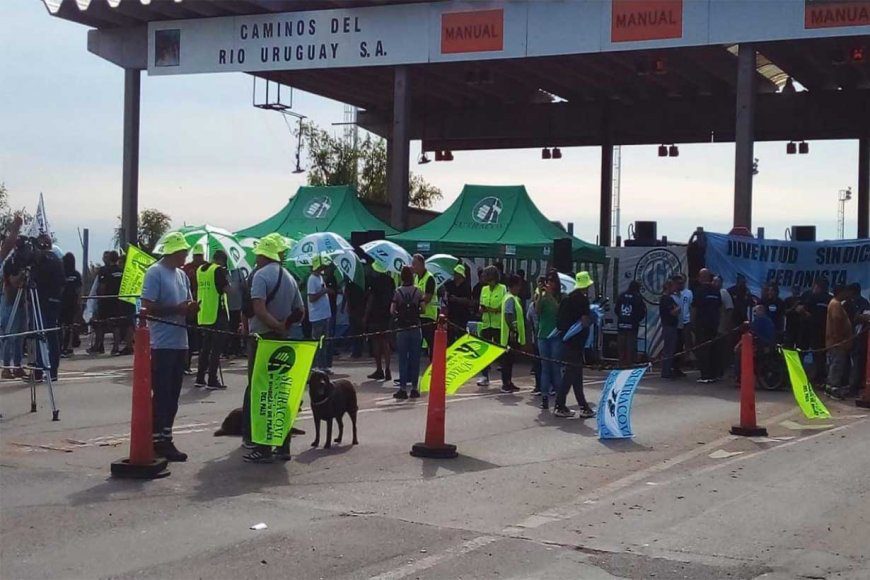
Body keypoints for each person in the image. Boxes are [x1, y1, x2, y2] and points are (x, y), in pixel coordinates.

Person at [242, 236, 304, 463]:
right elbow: (300, 311)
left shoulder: (260, 276)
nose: (256, 259)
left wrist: (275, 325)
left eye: (258, 255)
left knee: (261, 392)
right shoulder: (289, 277)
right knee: (280, 392)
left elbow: (258, 309)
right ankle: (283, 445)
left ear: (263, 255)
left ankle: (262, 446)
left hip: (263, 339)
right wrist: (285, 325)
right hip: (283, 341)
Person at [140, 233, 197, 462]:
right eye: (183, 252)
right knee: (162, 393)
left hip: (180, 341)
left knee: (173, 395)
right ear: (172, 252)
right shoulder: (155, 272)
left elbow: (186, 304)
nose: (185, 256)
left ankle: (166, 435)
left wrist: (191, 309)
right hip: (162, 343)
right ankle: (157, 439)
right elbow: (147, 307)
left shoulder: (181, 275)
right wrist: (177, 309)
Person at [554, 271, 595, 418]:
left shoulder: (566, 299)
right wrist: (592, 318)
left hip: (566, 341)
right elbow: (584, 321)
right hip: (576, 343)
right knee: (571, 374)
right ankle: (560, 405)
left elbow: (559, 321)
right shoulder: (582, 301)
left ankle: (583, 406)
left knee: (576, 375)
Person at [31, 235, 65, 382]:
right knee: (50, 336)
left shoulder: (44, 262)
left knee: (41, 335)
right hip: (51, 302)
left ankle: (41, 369)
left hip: (43, 302)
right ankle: (51, 370)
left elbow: (35, 279)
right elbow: (62, 283)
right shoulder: (57, 260)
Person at [195, 249, 229, 390]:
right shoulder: (218, 270)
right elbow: (227, 289)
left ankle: (200, 378)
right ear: (222, 260)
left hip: (204, 313)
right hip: (217, 313)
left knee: (205, 348)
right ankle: (212, 379)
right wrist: (226, 278)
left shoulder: (200, 270)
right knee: (216, 348)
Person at [391, 265, 424, 399]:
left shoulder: (398, 292)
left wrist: (399, 315)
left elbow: (392, 310)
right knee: (415, 359)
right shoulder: (418, 291)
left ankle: (403, 389)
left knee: (403, 360)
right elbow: (423, 309)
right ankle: (415, 388)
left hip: (402, 329)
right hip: (415, 327)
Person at [534, 271, 562, 408]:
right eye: (548, 281)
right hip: (543, 335)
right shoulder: (542, 296)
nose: (549, 283)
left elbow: (559, 311)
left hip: (555, 335)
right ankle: (544, 397)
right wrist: (540, 294)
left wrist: (550, 296)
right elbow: (537, 311)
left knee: (555, 367)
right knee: (545, 367)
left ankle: (559, 399)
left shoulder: (559, 297)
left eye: (551, 281)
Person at [364, 262, 395, 381]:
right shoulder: (390, 281)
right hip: (386, 315)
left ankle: (379, 369)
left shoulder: (374, 281)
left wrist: (366, 316)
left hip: (375, 315)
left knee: (376, 342)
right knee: (385, 342)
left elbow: (370, 300)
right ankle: (387, 369)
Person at [476, 265, 506, 387]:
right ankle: (484, 376)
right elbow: (480, 305)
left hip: (498, 325)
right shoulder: (484, 289)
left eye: (485, 275)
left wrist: (490, 309)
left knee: (501, 352)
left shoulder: (502, 288)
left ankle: (505, 378)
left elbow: (502, 307)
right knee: (484, 351)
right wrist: (481, 309)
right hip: (486, 324)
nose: (483, 277)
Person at [692, 268, 722, 384]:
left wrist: (692, 323)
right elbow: (719, 308)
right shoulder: (716, 291)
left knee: (702, 349)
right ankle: (713, 374)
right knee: (713, 349)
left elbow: (694, 307)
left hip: (702, 324)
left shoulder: (699, 291)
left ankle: (705, 375)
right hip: (713, 324)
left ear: (701, 277)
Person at [89, 250, 122, 355]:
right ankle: (116, 348)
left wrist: (99, 297)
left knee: (100, 324)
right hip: (118, 301)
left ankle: (99, 346)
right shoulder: (121, 271)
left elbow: (102, 286)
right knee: (115, 325)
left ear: (109, 258)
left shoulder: (104, 270)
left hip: (106, 301)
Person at [1, 246, 26, 379]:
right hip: (11, 303)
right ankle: (6, 367)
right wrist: (23, 273)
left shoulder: (24, 262)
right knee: (10, 336)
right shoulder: (11, 262)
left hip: (22, 303)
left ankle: (17, 365)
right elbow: (13, 282)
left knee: (20, 337)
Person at [824, 285, 853, 399]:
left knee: (835, 364)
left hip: (836, 341)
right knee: (836, 365)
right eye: (845, 292)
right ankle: (833, 388)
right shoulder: (835, 304)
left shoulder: (836, 304)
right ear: (841, 292)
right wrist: (839, 339)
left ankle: (830, 387)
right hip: (837, 342)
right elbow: (837, 321)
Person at [498, 275, 525, 393]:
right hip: (510, 335)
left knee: (510, 360)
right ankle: (506, 383)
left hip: (510, 334)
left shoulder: (513, 298)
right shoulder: (510, 299)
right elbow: (508, 315)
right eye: (518, 285)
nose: (519, 288)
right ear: (514, 286)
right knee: (507, 360)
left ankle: (508, 382)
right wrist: (513, 330)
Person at [181, 247, 206, 373]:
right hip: (190, 308)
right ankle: (186, 365)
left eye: (200, 255)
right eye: (196, 256)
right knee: (190, 338)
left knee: (203, 340)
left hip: (204, 307)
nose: (198, 258)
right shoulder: (187, 268)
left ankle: (203, 366)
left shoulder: (207, 268)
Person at [308, 253, 334, 373]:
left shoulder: (320, 277)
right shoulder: (312, 279)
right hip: (317, 316)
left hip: (325, 314)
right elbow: (311, 298)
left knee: (324, 342)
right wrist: (323, 291)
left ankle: (323, 365)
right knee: (317, 342)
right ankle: (316, 366)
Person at [845, 283, 870, 397]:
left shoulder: (863, 302)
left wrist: (858, 317)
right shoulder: (847, 303)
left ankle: (854, 387)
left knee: (857, 361)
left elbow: (866, 317)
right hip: (847, 336)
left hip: (858, 337)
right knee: (847, 360)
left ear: (853, 291)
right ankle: (848, 384)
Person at [615, 280, 646, 368]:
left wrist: (622, 318)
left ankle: (621, 363)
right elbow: (642, 311)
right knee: (631, 345)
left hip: (621, 324)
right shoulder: (637, 297)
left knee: (621, 345)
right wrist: (636, 320)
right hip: (632, 325)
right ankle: (629, 363)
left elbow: (616, 309)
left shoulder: (621, 296)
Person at [412, 254, 437, 359]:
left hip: (429, 315)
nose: (413, 266)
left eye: (415, 264)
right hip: (419, 315)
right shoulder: (416, 278)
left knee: (431, 342)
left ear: (421, 264)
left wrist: (416, 302)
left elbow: (427, 298)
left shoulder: (429, 278)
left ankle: (434, 362)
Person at [59, 252, 82, 357]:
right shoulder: (67, 274)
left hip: (67, 302)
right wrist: (79, 302)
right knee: (67, 325)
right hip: (68, 302)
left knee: (66, 325)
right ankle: (66, 346)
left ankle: (66, 346)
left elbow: (78, 289)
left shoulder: (73, 274)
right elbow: (79, 290)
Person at [443, 264, 473, 343]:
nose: (455, 274)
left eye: (457, 273)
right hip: (451, 314)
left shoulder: (466, 286)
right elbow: (444, 294)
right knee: (450, 336)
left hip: (462, 315)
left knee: (461, 336)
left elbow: (468, 300)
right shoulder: (449, 284)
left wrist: (456, 299)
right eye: (455, 272)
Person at [659, 279, 681, 379]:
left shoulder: (670, 298)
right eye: (673, 286)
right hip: (669, 326)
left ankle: (667, 370)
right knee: (669, 349)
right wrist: (678, 308)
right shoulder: (666, 299)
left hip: (670, 326)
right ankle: (666, 371)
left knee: (670, 349)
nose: (674, 288)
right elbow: (673, 312)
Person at [714, 275, 734, 378]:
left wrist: (727, 324)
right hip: (713, 325)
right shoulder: (711, 292)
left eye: (717, 281)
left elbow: (730, 309)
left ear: (721, 283)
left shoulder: (724, 293)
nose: (715, 283)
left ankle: (721, 370)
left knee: (721, 348)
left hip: (722, 325)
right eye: (714, 281)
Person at [672, 274, 691, 377]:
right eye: (678, 283)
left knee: (680, 345)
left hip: (684, 322)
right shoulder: (671, 295)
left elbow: (690, 306)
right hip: (673, 324)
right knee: (673, 346)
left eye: (682, 283)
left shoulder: (687, 293)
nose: (680, 285)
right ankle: (671, 367)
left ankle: (677, 366)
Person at [224, 266, 246, 357]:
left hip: (238, 305)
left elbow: (244, 287)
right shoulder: (221, 272)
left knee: (236, 328)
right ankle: (227, 349)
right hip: (226, 306)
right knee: (228, 328)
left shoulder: (238, 271)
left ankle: (237, 348)